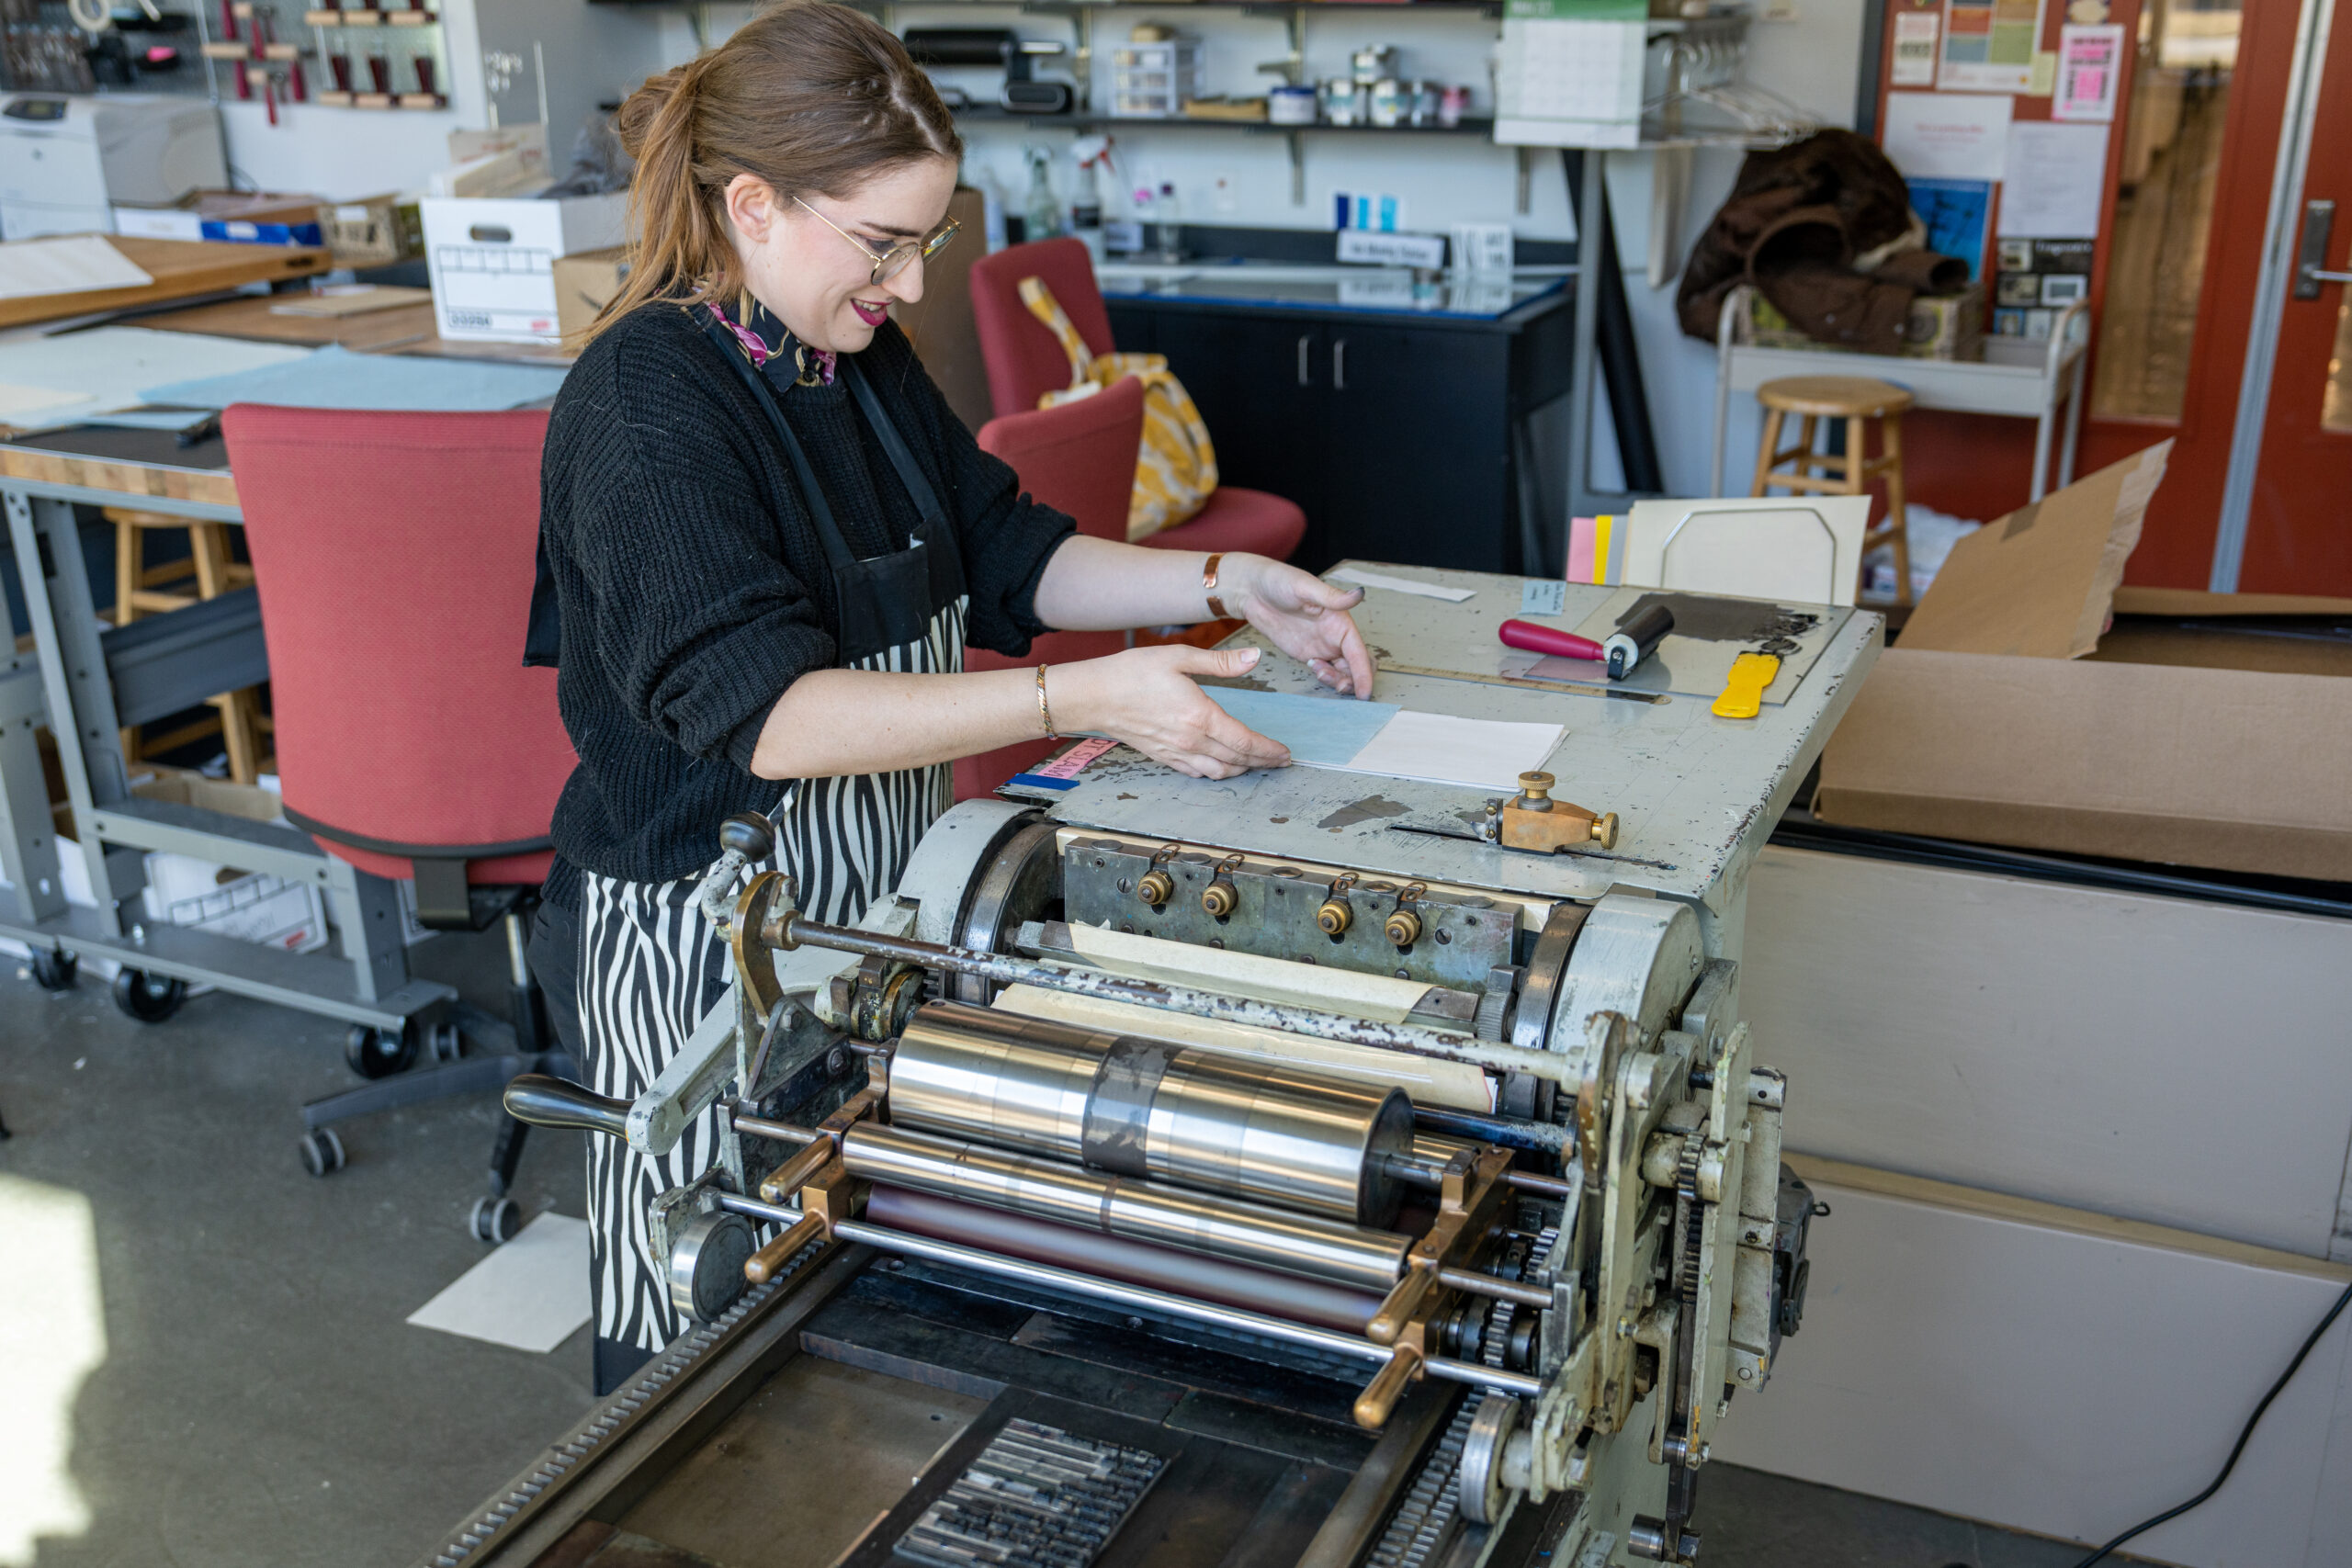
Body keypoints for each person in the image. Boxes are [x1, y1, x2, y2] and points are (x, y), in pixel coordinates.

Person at [523, 0, 1375, 1394]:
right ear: (752, 205)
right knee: (696, 1314)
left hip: (865, 913)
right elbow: (777, 720)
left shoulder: (842, 362)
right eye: (883, 244)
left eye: (927, 243)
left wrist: (1228, 579)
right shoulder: (646, 409)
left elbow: (1011, 553)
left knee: (835, 1302)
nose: (913, 284)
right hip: (697, 938)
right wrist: (1081, 702)